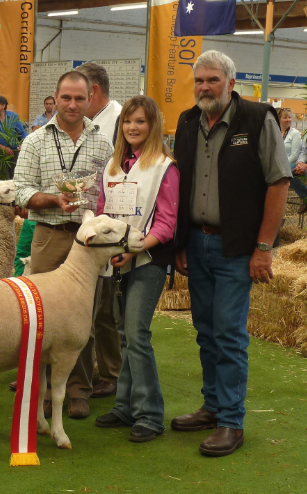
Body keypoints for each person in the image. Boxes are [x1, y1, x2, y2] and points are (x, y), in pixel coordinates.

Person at [173, 50, 291, 457]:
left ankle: (231, 422)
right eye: (199, 81)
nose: (204, 87)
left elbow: (279, 183)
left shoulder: (258, 119)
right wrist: (181, 243)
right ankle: (211, 406)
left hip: (237, 248)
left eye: (212, 80)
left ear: (230, 83)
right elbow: (179, 184)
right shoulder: (188, 122)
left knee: (228, 333)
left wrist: (263, 247)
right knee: (205, 331)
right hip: (197, 243)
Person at [14, 71, 112, 419]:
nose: (72, 105)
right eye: (66, 98)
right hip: (50, 236)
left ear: (90, 99)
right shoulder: (35, 141)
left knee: (81, 321)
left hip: (88, 243)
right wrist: (55, 200)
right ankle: (38, 393)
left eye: (80, 99)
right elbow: (21, 190)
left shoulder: (103, 142)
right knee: (38, 317)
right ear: (55, 98)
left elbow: (111, 188)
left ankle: (78, 391)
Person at [93, 95, 179, 443]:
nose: (133, 127)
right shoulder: (113, 166)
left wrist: (131, 250)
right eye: (128, 121)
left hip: (146, 261)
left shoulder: (164, 166)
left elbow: (167, 223)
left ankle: (150, 414)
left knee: (137, 334)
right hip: (114, 262)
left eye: (140, 121)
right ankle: (126, 405)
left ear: (152, 125)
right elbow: (101, 211)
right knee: (125, 335)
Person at [75, 61, 124, 399]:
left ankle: (110, 373)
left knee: (105, 305)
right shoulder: (83, 120)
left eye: (80, 94)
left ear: (92, 91)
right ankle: (76, 370)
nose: (74, 103)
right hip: (80, 221)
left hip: (109, 221)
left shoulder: (119, 119)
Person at [0, 95, 27, 179]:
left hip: (13, 152)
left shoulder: (13, 116)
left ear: (3, 106)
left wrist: (24, 145)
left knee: (14, 178)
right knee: (2, 179)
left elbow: (21, 133)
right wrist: (3, 148)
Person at [284, 108, 307, 214]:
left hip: (290, 163)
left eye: (289, 117)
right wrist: (301, 163)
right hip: (298, 165)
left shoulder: (295, 133)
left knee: (286, 171)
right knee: (287, 173)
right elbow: (304, 151)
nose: (288, 120)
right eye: (285, 117)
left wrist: (305, 166)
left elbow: (294, 154)